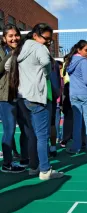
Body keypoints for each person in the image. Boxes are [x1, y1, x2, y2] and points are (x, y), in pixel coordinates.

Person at [8, 23, 64, 180]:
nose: (48, 42)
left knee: (32, 134)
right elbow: (46, 62)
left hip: (22, 97)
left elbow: (8, 65)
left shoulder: (21, 48)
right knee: (42, 135)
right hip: (37, 97)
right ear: (35, 35)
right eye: (46, 38)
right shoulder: (39, 48)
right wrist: (44, 74)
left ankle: (33, 167)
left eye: (49, 40)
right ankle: (45, 170)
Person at [0, 24, 26, 173]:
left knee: (26, 128)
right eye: (10, 36)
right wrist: (12, 54)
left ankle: (24, 158)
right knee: (9, 130)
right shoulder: (3, 51)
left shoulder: (23, 50)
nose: (14, 38)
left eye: (16, 35)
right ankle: (7, 163)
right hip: (5, 96)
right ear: (4, 38)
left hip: (22, 95)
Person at [65, 40, 87, 153]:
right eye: (86, 50)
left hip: (73, 94)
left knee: (77, 122)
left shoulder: (70, 61)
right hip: (85, 94)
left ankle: (76, 146)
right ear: (79, 50)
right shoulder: (84, 62)